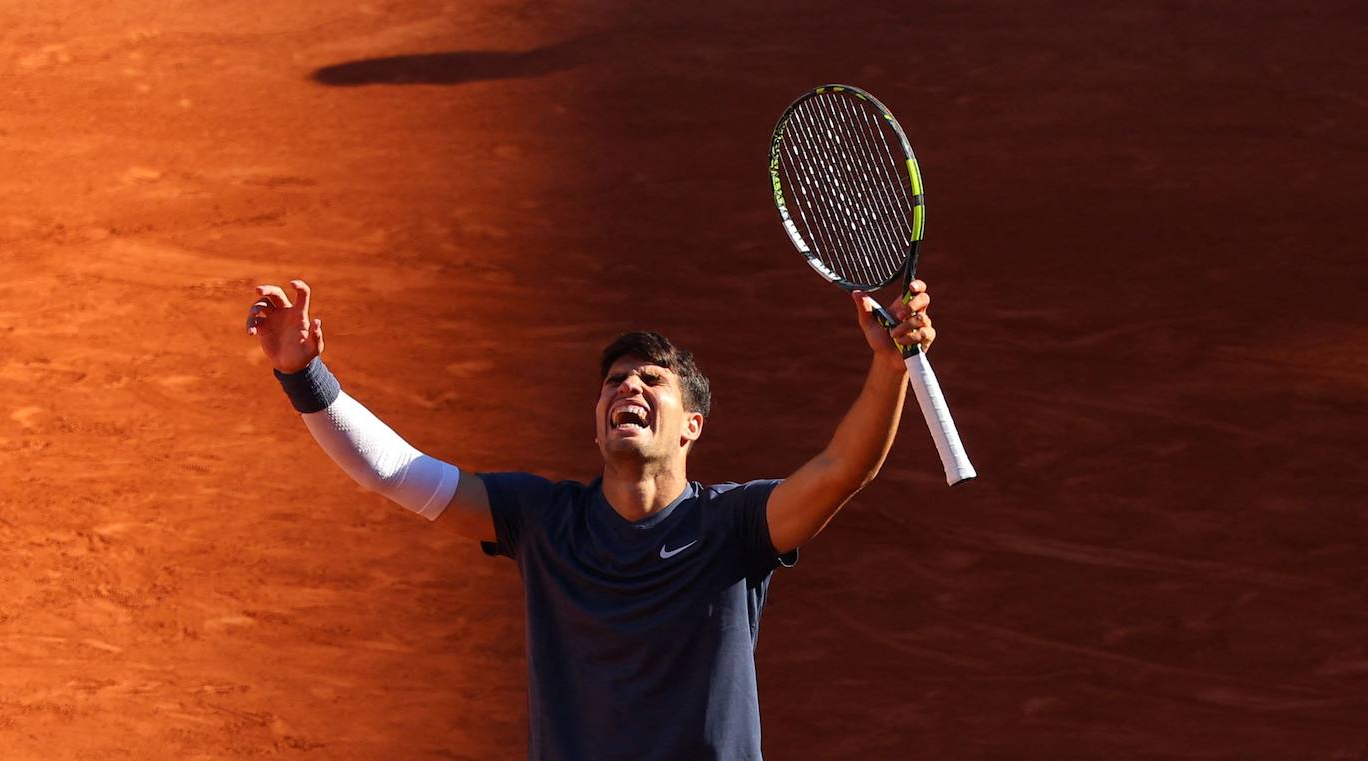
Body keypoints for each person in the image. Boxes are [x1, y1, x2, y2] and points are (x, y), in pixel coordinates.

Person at [245, 278, 936, 761]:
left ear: (692, 425)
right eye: (614, 382)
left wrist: (890, 365)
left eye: (650, 379)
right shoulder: (544, 522)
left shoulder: (735, 526)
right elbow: (394, 471)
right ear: (597, 427)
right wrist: (305, 374)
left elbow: (844, 466)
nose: (627, 386)